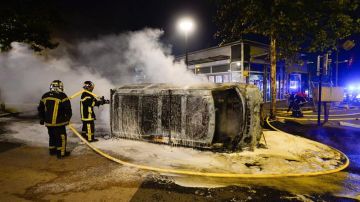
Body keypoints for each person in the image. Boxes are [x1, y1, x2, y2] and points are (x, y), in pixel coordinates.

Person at [38, 80, 72, 159]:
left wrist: (42, 119)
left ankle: (52, 151)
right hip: (59, 123)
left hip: (48, 123)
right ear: (60, 87)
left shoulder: (45, 95)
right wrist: (67, 119)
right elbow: (68, 109)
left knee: (52, 136)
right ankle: (61, 153)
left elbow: (40, 109)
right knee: (61, 137)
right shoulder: (62, 96)